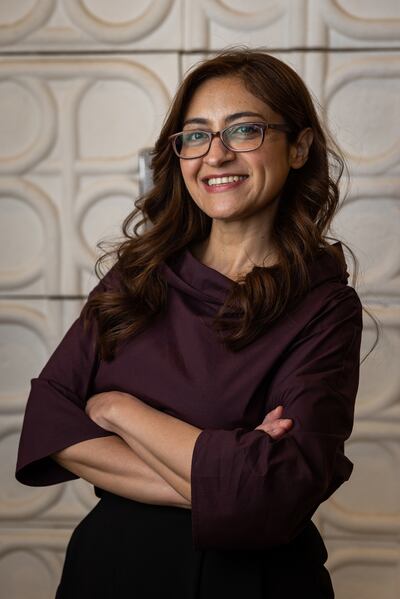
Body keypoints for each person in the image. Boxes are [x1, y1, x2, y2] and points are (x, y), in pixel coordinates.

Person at [16, 48, 366, 598]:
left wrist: (115, 409)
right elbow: (48, 421)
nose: (216, 156)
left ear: (298, 147)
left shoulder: (326, 307)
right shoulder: (138, 275)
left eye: (244, 130)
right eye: (197, 135)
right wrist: (226, 480)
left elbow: (278, 495)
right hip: (109, 571)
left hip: (250, 584)